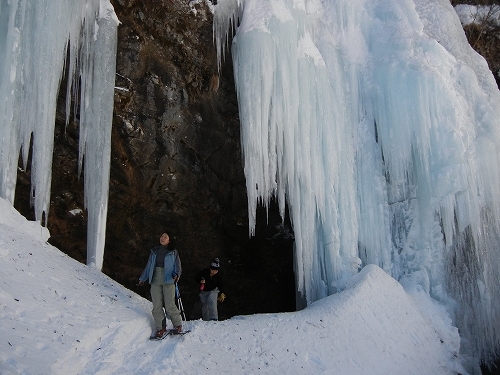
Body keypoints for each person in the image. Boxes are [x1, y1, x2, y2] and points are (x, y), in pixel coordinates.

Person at [138, 232, 183, 338]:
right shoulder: (154, 251)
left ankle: (178, 325)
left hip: (169, 278)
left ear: (169, 240)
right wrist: (143, 278)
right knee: (157, 305)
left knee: (169, 304)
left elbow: (178, 266)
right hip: (155, 278)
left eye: (165, 237)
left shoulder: (173, 252)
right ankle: (160, 328)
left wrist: (176, 275)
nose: (162, 238)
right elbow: (149, 265)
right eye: (162, 236)